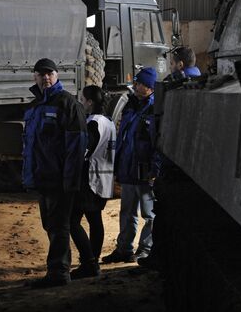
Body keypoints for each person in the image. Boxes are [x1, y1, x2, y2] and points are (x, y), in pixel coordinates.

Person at [22, 58, 88, 288]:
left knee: (59, 226)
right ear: (35, 77)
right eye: (41, 74)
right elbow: (29, 147)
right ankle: (67, 266)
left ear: (57, 75)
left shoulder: (67, 104)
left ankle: (59, 272)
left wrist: (70, 180)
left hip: (60, 180)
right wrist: (29, 177)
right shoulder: (33, 107)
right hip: (43, 179)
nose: (45, 78)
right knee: (50, 224)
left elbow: (76, 146)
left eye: (49, 73)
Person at [137, 47, 201, 270]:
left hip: (174, 164)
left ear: (180, 64)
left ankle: (160, 258)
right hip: (192, 167)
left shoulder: (176, 87)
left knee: (164, 215)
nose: (170, 67)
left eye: (172, 63)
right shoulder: (200, 83)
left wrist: (157, 167)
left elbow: (163, 130)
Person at [102, 67, 159, 264]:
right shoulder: (131, 106)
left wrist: (154, 170)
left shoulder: (154, 110)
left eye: (140, 83)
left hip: (145, 173)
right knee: (127, 212)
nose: (135, 86)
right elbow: (124, 139)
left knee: (149, 215)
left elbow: (158, 144)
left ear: (150, 88)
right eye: (135, 83)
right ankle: (124, 249)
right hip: (128, 170)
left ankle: (145, 249)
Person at [69, 85, 116, 279]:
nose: (81, 102)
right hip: (104, 178)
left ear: (89, 101)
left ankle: (89, 262)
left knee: (72, 221)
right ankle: (93, 261)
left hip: (90, 180)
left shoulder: (94, 123)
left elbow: (85, 150)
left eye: (82, 99)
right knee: (95, 220)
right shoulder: (109, 122)